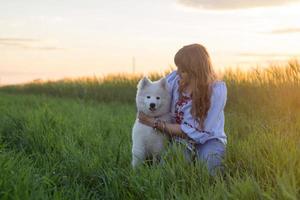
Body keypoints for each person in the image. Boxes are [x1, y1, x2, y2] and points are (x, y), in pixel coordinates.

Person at [138, 43, 227, 176]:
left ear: (195, 71)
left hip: (208, 139)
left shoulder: (216, 91)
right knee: (167, 173)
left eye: (183, 70)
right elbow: (153, 92)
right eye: (178, 67)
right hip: (180, 140)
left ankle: (200, 159)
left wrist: (153, 123)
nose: (178, 72)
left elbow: (190, 130)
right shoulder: (174, 79)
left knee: (210, 173)